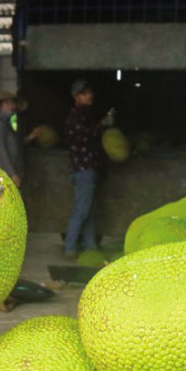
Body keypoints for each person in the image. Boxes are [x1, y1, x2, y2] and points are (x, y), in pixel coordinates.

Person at [63, 79, 113, 260]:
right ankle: (70, 247)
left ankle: (91, 246)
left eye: (90, 92)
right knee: (81, 210)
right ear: (77, 97)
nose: (90, 95)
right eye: (85, 93)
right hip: (84, 168)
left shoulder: (83, 114)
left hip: (86, 168)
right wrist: (103, 124)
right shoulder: (77, 115)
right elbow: (86, 136)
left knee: (88, 209)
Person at [0, 90, 42, 188]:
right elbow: (1, 151)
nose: (11, 105)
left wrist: (31, 136)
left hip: (9, 174)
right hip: (1, 175)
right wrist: (13, 174)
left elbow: (16, 145)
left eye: (13, 102)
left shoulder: (8, 126)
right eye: (7, 103)